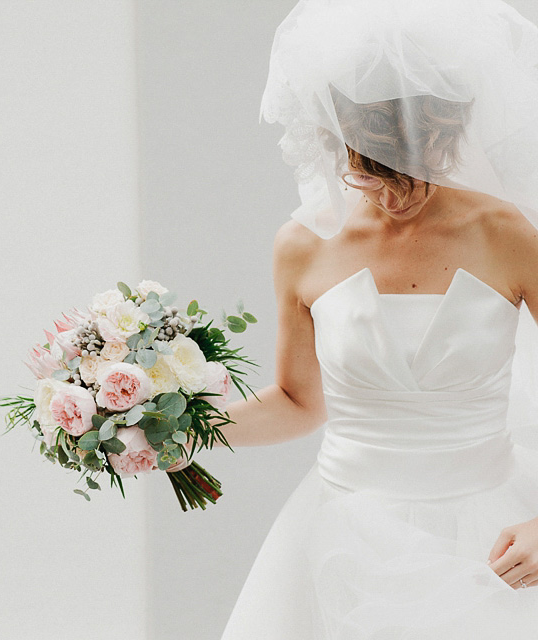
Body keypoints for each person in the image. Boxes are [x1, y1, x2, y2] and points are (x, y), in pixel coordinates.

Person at [214, 0, 538, 637]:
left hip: (491, 537)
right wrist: (174, 431)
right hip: (341, 535)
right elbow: (296, 401)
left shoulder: (504, 233)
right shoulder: (303, 243)